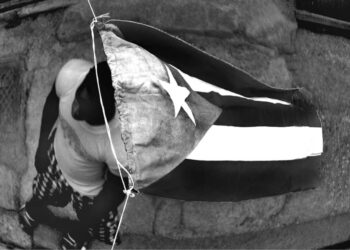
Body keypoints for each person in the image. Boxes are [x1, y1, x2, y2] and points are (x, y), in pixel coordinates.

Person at [19, 59, 128, 249]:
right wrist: (43, 145)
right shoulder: (72, 75)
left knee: (96, 218)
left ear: (108, 108)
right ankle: (35, 208)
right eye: (82, 90)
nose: (76, 104)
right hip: (57, 158)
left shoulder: (122, 144)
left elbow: (115, 191)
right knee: (43, 190)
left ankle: (79, 234)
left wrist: (85, 224)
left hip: (90, 187)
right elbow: (53, 100)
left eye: (89, 101)